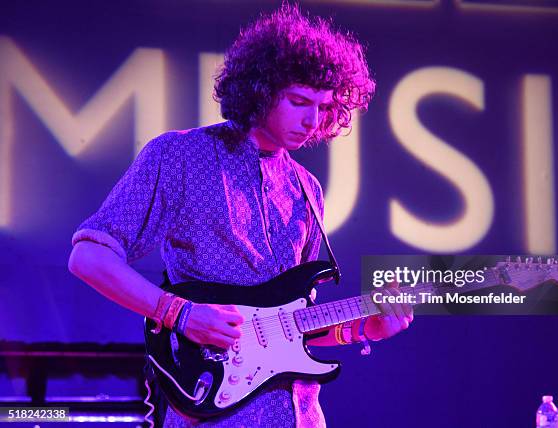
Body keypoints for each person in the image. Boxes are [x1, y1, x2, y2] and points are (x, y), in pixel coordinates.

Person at [68, 4, 413, 427]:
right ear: (260, 90)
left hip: (300, 415)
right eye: (299, 101)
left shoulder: (307, 189)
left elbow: (293, 326)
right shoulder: (180, 156)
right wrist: (180, 314)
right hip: (213, 409)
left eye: (324, 107)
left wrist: (364, 329)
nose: (312, 120)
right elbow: (88, 256)